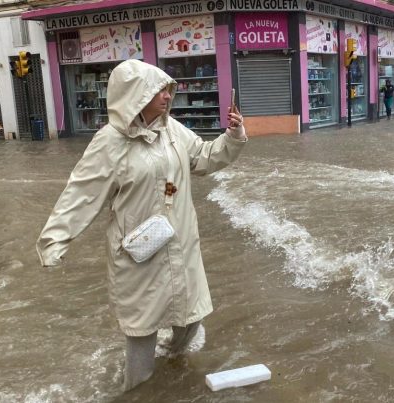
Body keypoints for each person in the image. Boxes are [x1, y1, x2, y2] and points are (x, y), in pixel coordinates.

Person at [35, 60, 247, 392]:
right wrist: (55, 240)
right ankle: (136, 391)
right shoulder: (110, 142)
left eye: (167, 90)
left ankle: (171, 364)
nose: (167, 96)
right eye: (159, 90)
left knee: (190, 317)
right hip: (139, 253)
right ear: (136, 95)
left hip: (180, 243)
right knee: (142, 330)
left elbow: (204, 158)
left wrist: (232, 137)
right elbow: (81, 193)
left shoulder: (172, 130)